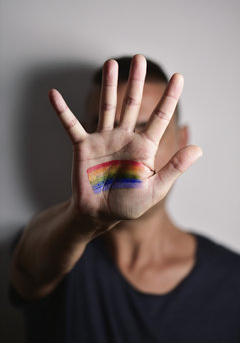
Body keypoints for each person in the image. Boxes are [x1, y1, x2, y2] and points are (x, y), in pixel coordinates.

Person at [9, 55, 240, 342]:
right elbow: (27, 273)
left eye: (146, 128)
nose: (129, 148)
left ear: (182, 139)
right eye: (109, 129)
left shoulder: (233, 280)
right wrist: (84, 219)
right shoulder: (57, 244)